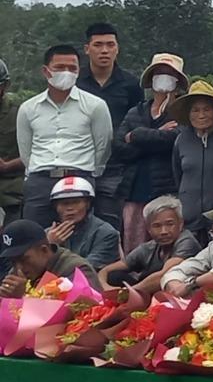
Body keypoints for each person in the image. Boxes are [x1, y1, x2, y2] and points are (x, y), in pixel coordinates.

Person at [16, 44, 113, 227]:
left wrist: (90, 173)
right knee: (35, 237)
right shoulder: (28, 108)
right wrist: (38, 171)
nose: (66, 73)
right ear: (46, 71)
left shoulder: (95, 105)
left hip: (80, 179)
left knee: (80, 236)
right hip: (40, 181)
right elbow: (25, 151)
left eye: (72, 68)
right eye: (60, 68)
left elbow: (103, 145)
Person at [114, 52, 187, 253]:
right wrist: (154, 137)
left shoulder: (182, 112)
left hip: (165, 191)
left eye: (169, 73)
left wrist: (136, 136)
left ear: (178, 80)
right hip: (134, 191)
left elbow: (173, 141)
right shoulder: (135, 112)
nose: (163, 76)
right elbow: (119, 147)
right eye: (159, 72)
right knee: (133, 246)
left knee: (166, 245)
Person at [78, 20, 142, 232]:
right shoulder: (75, 83)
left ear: (117, 48)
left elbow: (137, 123)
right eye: (98, 45)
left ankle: (106, 265)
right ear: (87, 49)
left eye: (110, 45)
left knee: (110, 227)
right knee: (75, 223)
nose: (104, 50)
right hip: (80, 163)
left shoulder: (131, 85)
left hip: (115, 167)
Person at [169, 81, 213, 231]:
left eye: (206, 109)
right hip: (190, 220)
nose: (201, 115)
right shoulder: (182, 139)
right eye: (195, 110)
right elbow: (177, 175)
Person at [97, 195, 199, 292]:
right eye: (157, 226)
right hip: (144, 292)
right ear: (148, 229)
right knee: (114, 276)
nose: (164, 231)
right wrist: (106, 287)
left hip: (180, 292)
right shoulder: (149, 247)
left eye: (170, 224)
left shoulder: (186, 241)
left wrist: (128, 292)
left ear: (181, 224)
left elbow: (164, 275)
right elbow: (106, 270)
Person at [45, 174, 121, 274]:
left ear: (88, 204)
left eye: (76, 202)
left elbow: (86, 269)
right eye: (64, 203)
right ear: (56, 207)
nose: (70, 208)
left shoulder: (106, 233)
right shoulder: (47, 234)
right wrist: (49, 245)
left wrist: (52, 249)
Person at [0, 218, 86, 293]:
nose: (19, 268)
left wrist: (22, 297)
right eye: (13, 262)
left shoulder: (75, 269)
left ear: (44, 250)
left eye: (24, 259)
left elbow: (83, 308)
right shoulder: (15, 273)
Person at [0, 59, 24, 221]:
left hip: (11, 188)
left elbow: (39, 152)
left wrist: (7, 166)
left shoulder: (22, 111)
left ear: (5, 86)